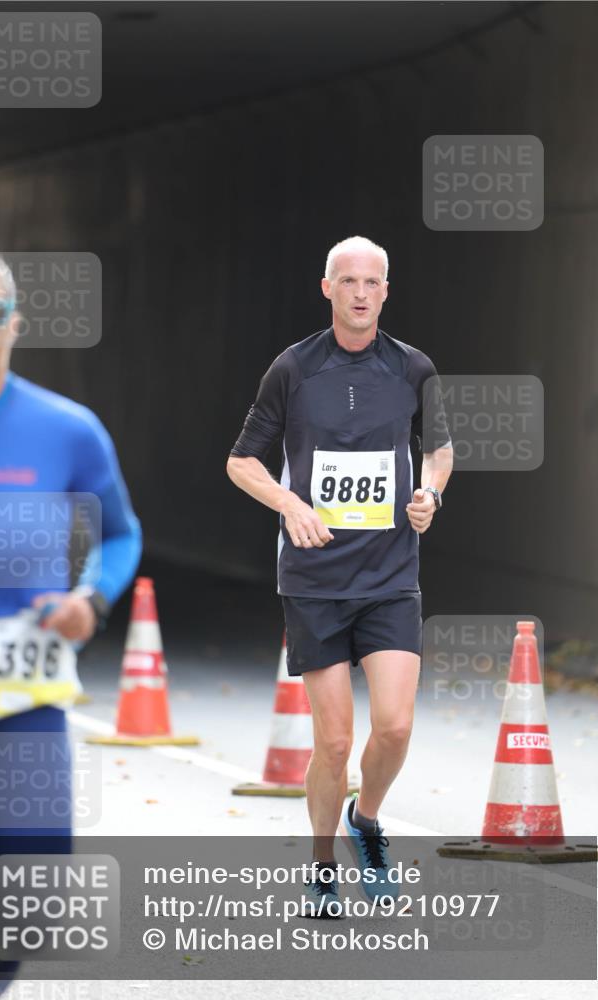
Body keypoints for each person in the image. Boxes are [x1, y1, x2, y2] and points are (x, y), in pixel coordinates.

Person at [227, 235, 453, 917]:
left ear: (386, 292)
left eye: (372, 282)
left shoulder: (413, 369)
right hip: (314, 580)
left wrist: (429, 494)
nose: (359, 293)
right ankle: (322, 866)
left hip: (388, 574)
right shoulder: (292, 370)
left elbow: (438, 451)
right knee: (331, 741)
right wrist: (290, 503)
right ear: (325, 288)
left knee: (393, 725)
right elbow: (241, 461)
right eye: (346, 280)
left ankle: (367, 819)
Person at [0, 238, 142, 996]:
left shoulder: (66, 429)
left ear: (14, 323)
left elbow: (120, 531)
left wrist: (91, 599)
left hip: (23, 692)